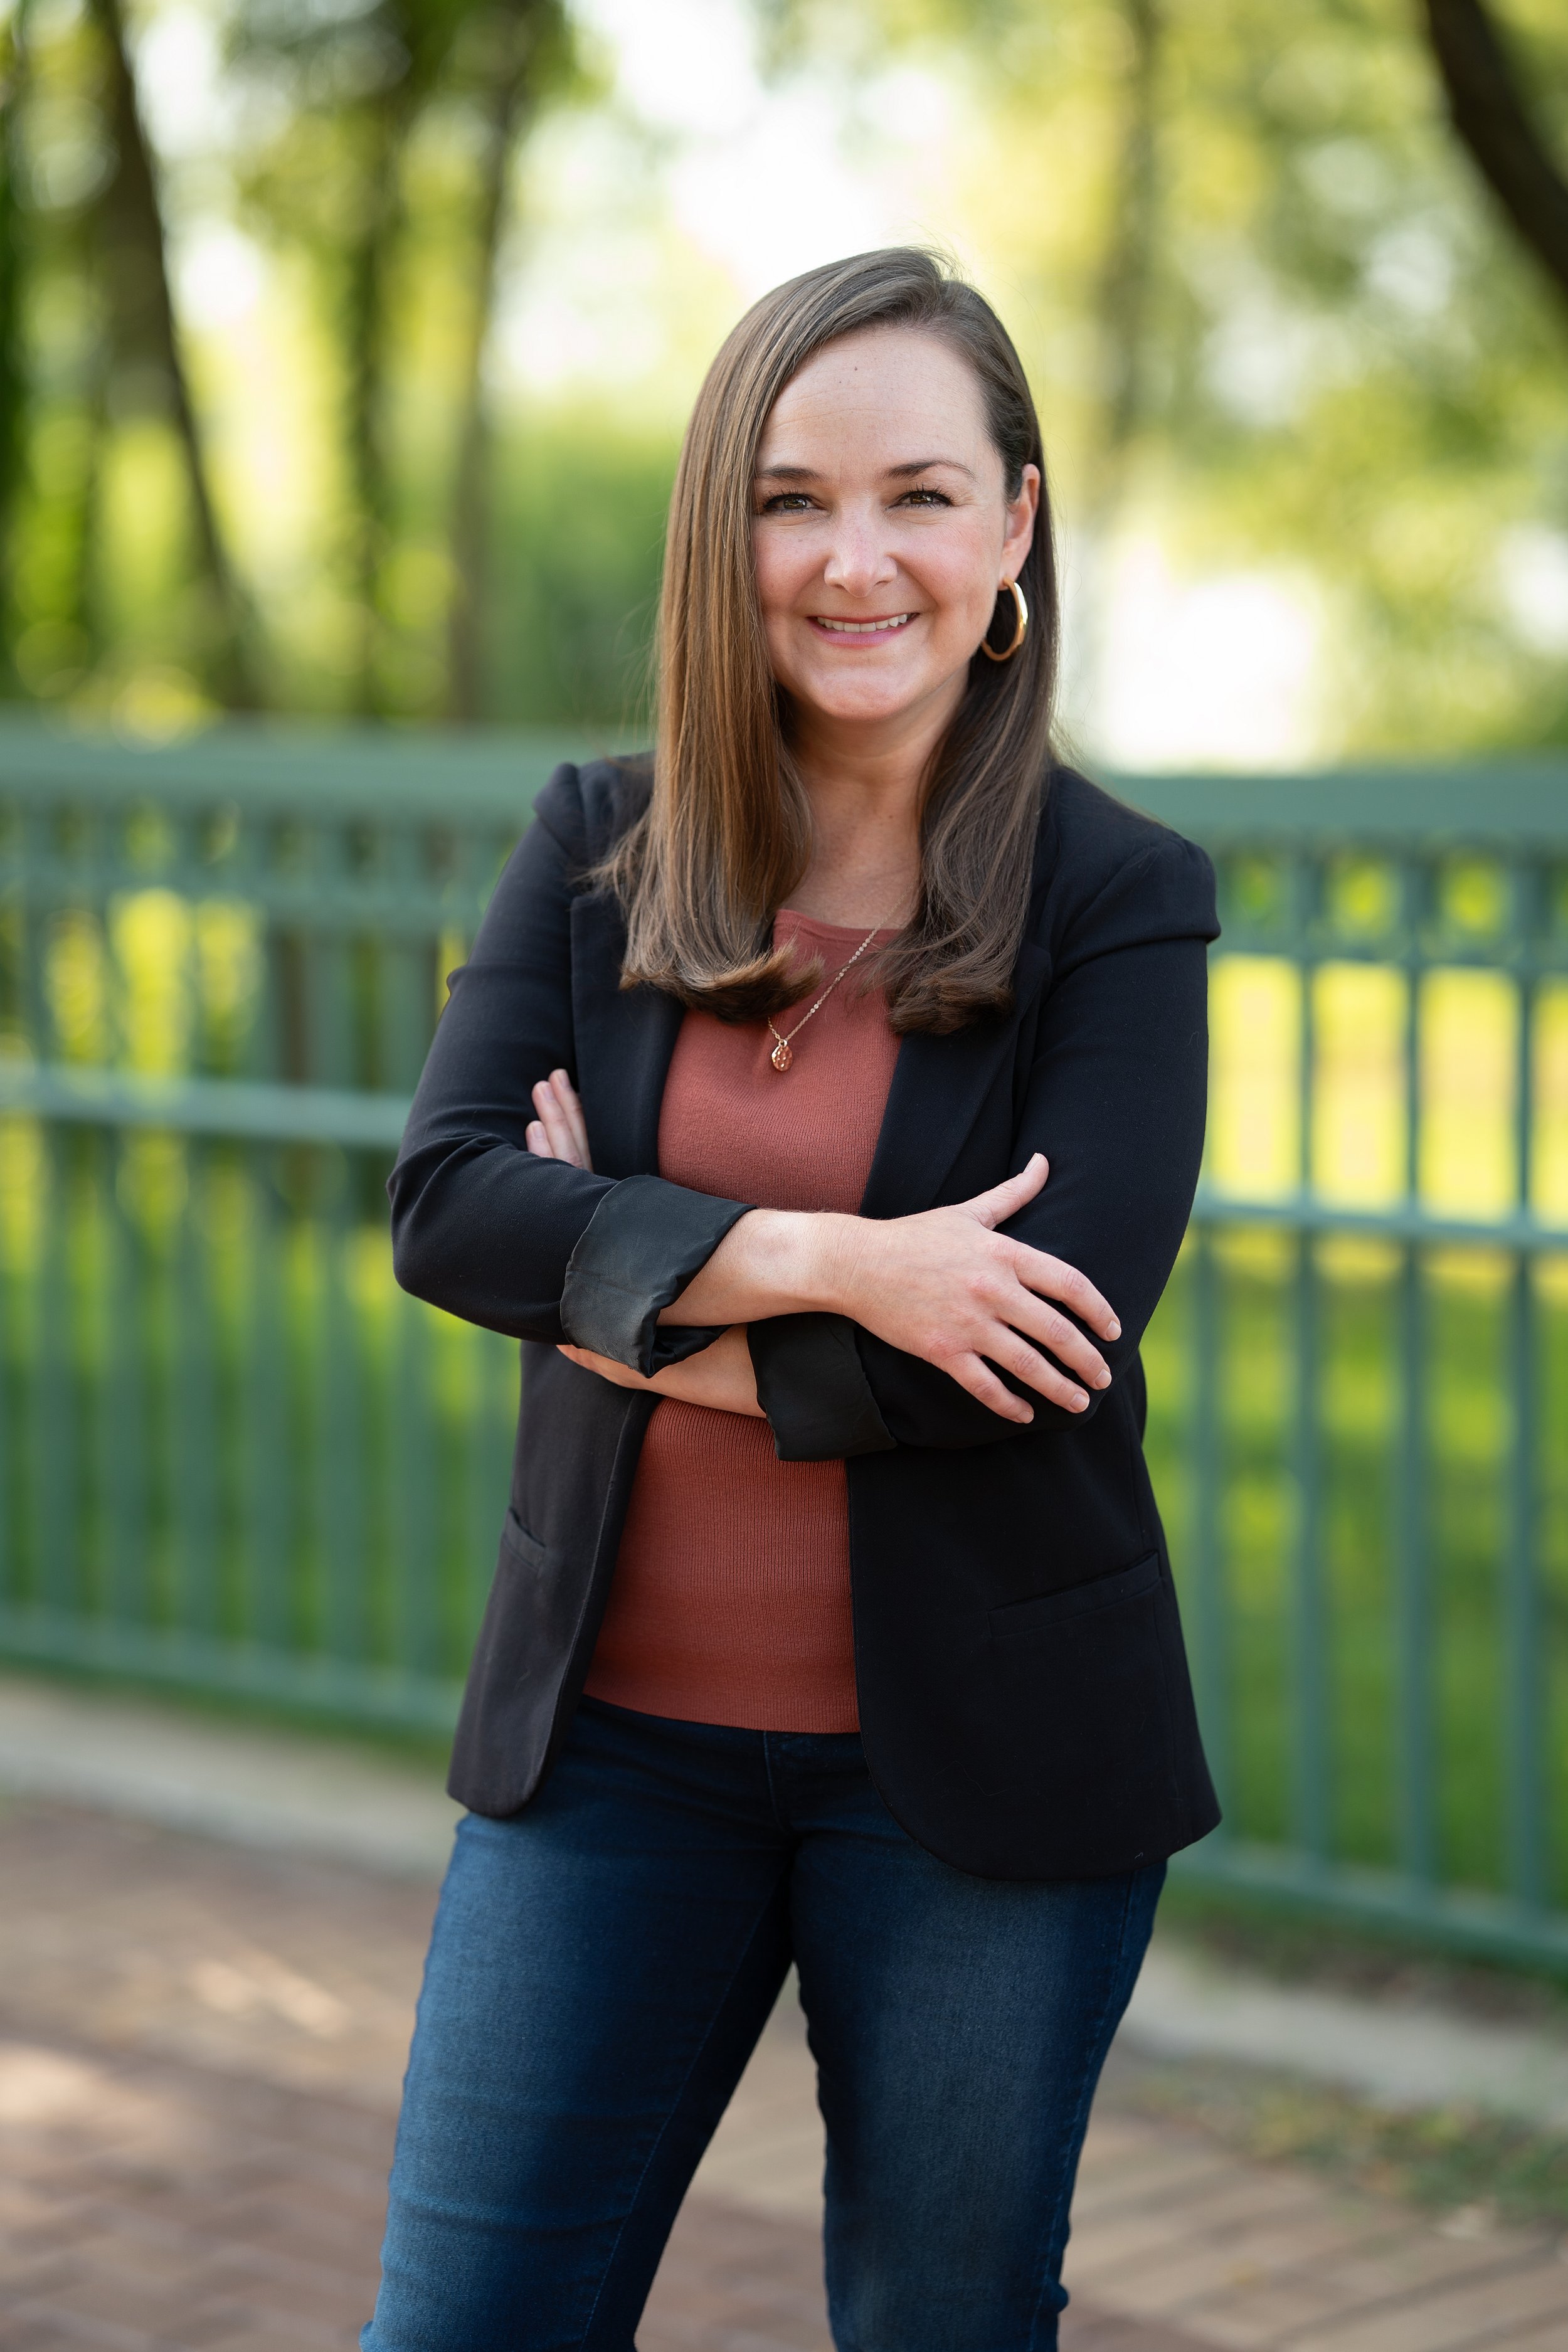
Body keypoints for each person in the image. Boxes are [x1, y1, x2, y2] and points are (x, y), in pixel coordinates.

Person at [366, 246, 1220, 2352]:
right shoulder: (594, 845)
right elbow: (447, 1207)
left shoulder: (1118, 900)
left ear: (1013, 526)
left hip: (981, 1790)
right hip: (604, 1760)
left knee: (941, 2325)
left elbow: (1033, 1346)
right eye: (789, 498)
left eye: (920, 494)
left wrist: (612, 1278)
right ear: (717, 534)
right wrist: (844, 1264)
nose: (855, 560)